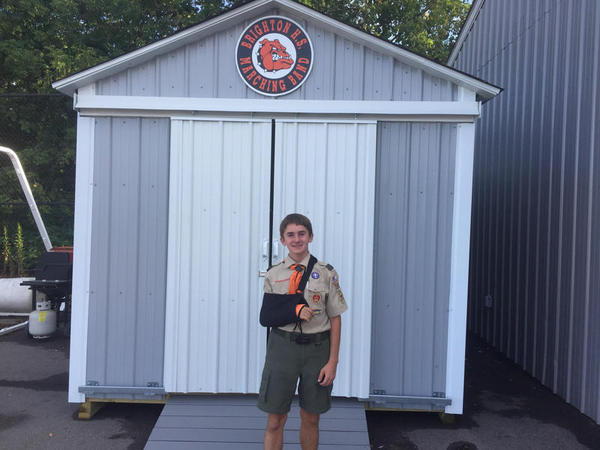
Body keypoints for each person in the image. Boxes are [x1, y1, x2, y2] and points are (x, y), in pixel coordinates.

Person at [257, 213, 347, 450]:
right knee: (276, 419)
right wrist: (295, 310)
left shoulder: (326, 272)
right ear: (283, 240)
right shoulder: (274, 273)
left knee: (311, 417)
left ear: (310, 237)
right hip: (282, 349)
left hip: (317, 351)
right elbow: (267, 316)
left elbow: (335, 318)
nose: (297, 239)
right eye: (290, 235)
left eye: (301, 234)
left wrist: (333, 362)